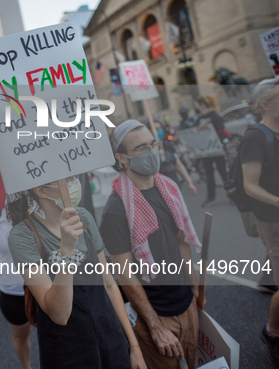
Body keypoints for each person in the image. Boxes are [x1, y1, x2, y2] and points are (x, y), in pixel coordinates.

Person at [7, 176, 146, 369]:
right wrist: (66, 252)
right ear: (41, 190)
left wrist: (134, 346)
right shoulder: (23, 236)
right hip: (68, 352)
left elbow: (109, 285)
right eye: (66, 179)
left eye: (73, 176)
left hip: (111, 338)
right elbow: (59, 314)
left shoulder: (84, 217)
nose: (74, 182)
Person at [100, 120, 202, 369]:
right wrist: (155, 326)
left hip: (186, 303)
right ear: (122, 158)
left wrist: (194, 285)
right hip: (155, 315)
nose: (152, 152)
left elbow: (182, 240)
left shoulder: (169, 187)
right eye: (141, 148)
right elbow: (126, 276)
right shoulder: (116, 210)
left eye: (153, 144)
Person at [241, 77, 279, 368]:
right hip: (274, 220)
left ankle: (268, 275)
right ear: (265, 105)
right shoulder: (255, 137)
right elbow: (250, 185)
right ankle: (273, 333)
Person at [0, 209, 32, 369]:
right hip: (12, 293)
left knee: (55, 336)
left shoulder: (37, 201)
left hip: (44, 287)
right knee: (20, 337)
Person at [194, 95, 229, 207]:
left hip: (217, 149)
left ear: (202, 104)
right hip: (206, 151)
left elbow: (221, 131)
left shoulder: (215, 116)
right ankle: (210, 197)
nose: (196, 107)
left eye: (197, 104)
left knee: (223, 172)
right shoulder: (199, 119)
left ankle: (232, 195)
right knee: (209, 174)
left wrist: (223, 145)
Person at [154, 120, 197, 196]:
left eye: (159, 128)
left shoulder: (167, 145)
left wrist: (190, 183)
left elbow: (179, 165)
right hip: (161, 190)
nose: (158, 131)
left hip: (175, 186)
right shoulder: (149, 151)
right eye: (155, 129)